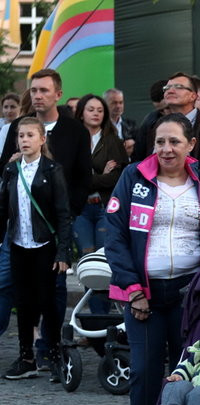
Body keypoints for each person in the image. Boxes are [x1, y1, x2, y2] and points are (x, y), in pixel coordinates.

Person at [104, 113, 200, 405]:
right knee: (144, 369)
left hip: (190, 293)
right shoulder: (132, 177)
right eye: (160, 142)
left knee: (185, 369)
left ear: (191, 145)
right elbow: (115, 237)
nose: (166, 149)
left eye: (175, 141)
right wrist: (133, 291)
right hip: (143, 295)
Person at [0, 69, 92, 378]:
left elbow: (82, 177)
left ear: (57, 94)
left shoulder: (73, 131)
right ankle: (27, 356)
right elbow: (4, 175)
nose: (37, 95)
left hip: (52, 232)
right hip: (18, 235)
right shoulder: (17, 127)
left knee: (52, 295)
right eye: (34, 90)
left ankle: (52, 352)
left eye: (43, 90)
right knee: (19, 296)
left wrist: (68, 222)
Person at [0, 117, 71, 379]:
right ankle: (26, 357)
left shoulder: (53, 170)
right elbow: (2, 209)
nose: (24, 140)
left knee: (48, 301)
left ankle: (52, 355)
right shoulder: (10, 170)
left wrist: (64, 251)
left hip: (44, 246)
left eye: (30, 135)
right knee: (23, 302)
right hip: (18, 244)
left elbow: (63, 214)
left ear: (42, 139)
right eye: (21, 136)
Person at [74, 94, 128, 258]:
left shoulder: (113, 141)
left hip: (105, 206)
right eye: (91, 110)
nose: (96, 113)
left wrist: (88, 178)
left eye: (100, 110)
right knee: (86, 257)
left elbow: (117, 178)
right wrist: (102, 175)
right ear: (81, 113)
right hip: (79, 208)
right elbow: (70, 177)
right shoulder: (72, 140)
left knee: (102, 257)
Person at [140, 73, 200, 165]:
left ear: (193, 96)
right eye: (166, 88)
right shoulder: (155, 126)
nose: (170, 91)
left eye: (178, 87)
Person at [131, 79, 168, 163]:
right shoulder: (149, 122)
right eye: (161, 110)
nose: (166, 113)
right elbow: (138, 157)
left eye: (169, 107)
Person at [103, 88, 137, 158]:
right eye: (114, 103)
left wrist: (133, 143)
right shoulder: (99, 126)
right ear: (104, 104)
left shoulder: (131, 124)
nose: (118, 106)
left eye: (121, 102)